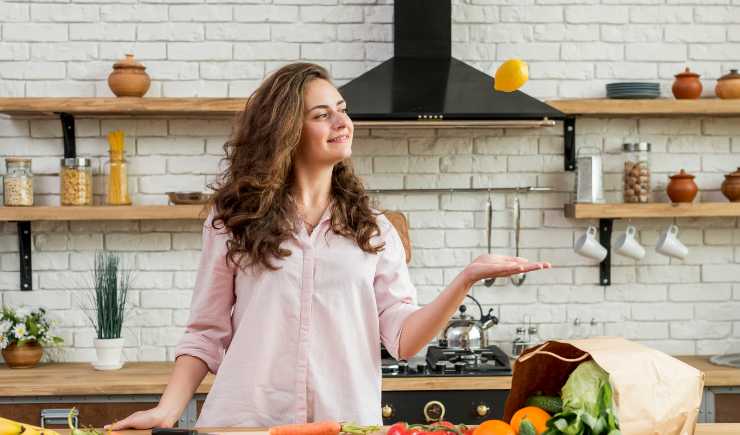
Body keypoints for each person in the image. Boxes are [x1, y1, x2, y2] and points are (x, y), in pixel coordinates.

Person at [107, 62, 551, 430]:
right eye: (322, 115)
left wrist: (466, 277)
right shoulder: (233, 222)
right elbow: (206, 332)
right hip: (248, 422)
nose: (343, 122)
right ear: (286, 130)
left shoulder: (373, 231)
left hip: (344, 423)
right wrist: (167, 410)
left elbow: (403, 340)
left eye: (342, 109)